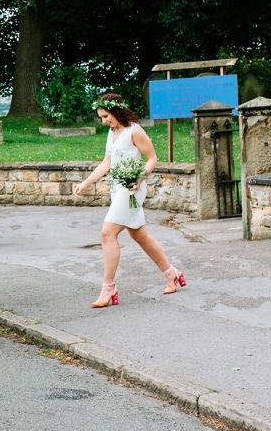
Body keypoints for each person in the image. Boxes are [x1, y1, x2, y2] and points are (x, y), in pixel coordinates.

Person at [73, 93, 187, 307]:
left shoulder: (135, 131)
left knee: (107, 234)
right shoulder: (112, 131)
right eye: (101, 117)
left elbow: (152, 158)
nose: (103, 121)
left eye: (106, 116)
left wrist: (140, 177)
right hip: (117, 189)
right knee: (139, 235)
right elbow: (107, 162)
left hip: (131, 188)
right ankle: (171, 273)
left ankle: (108, 287)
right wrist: (86, 183)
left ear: (116, 111)